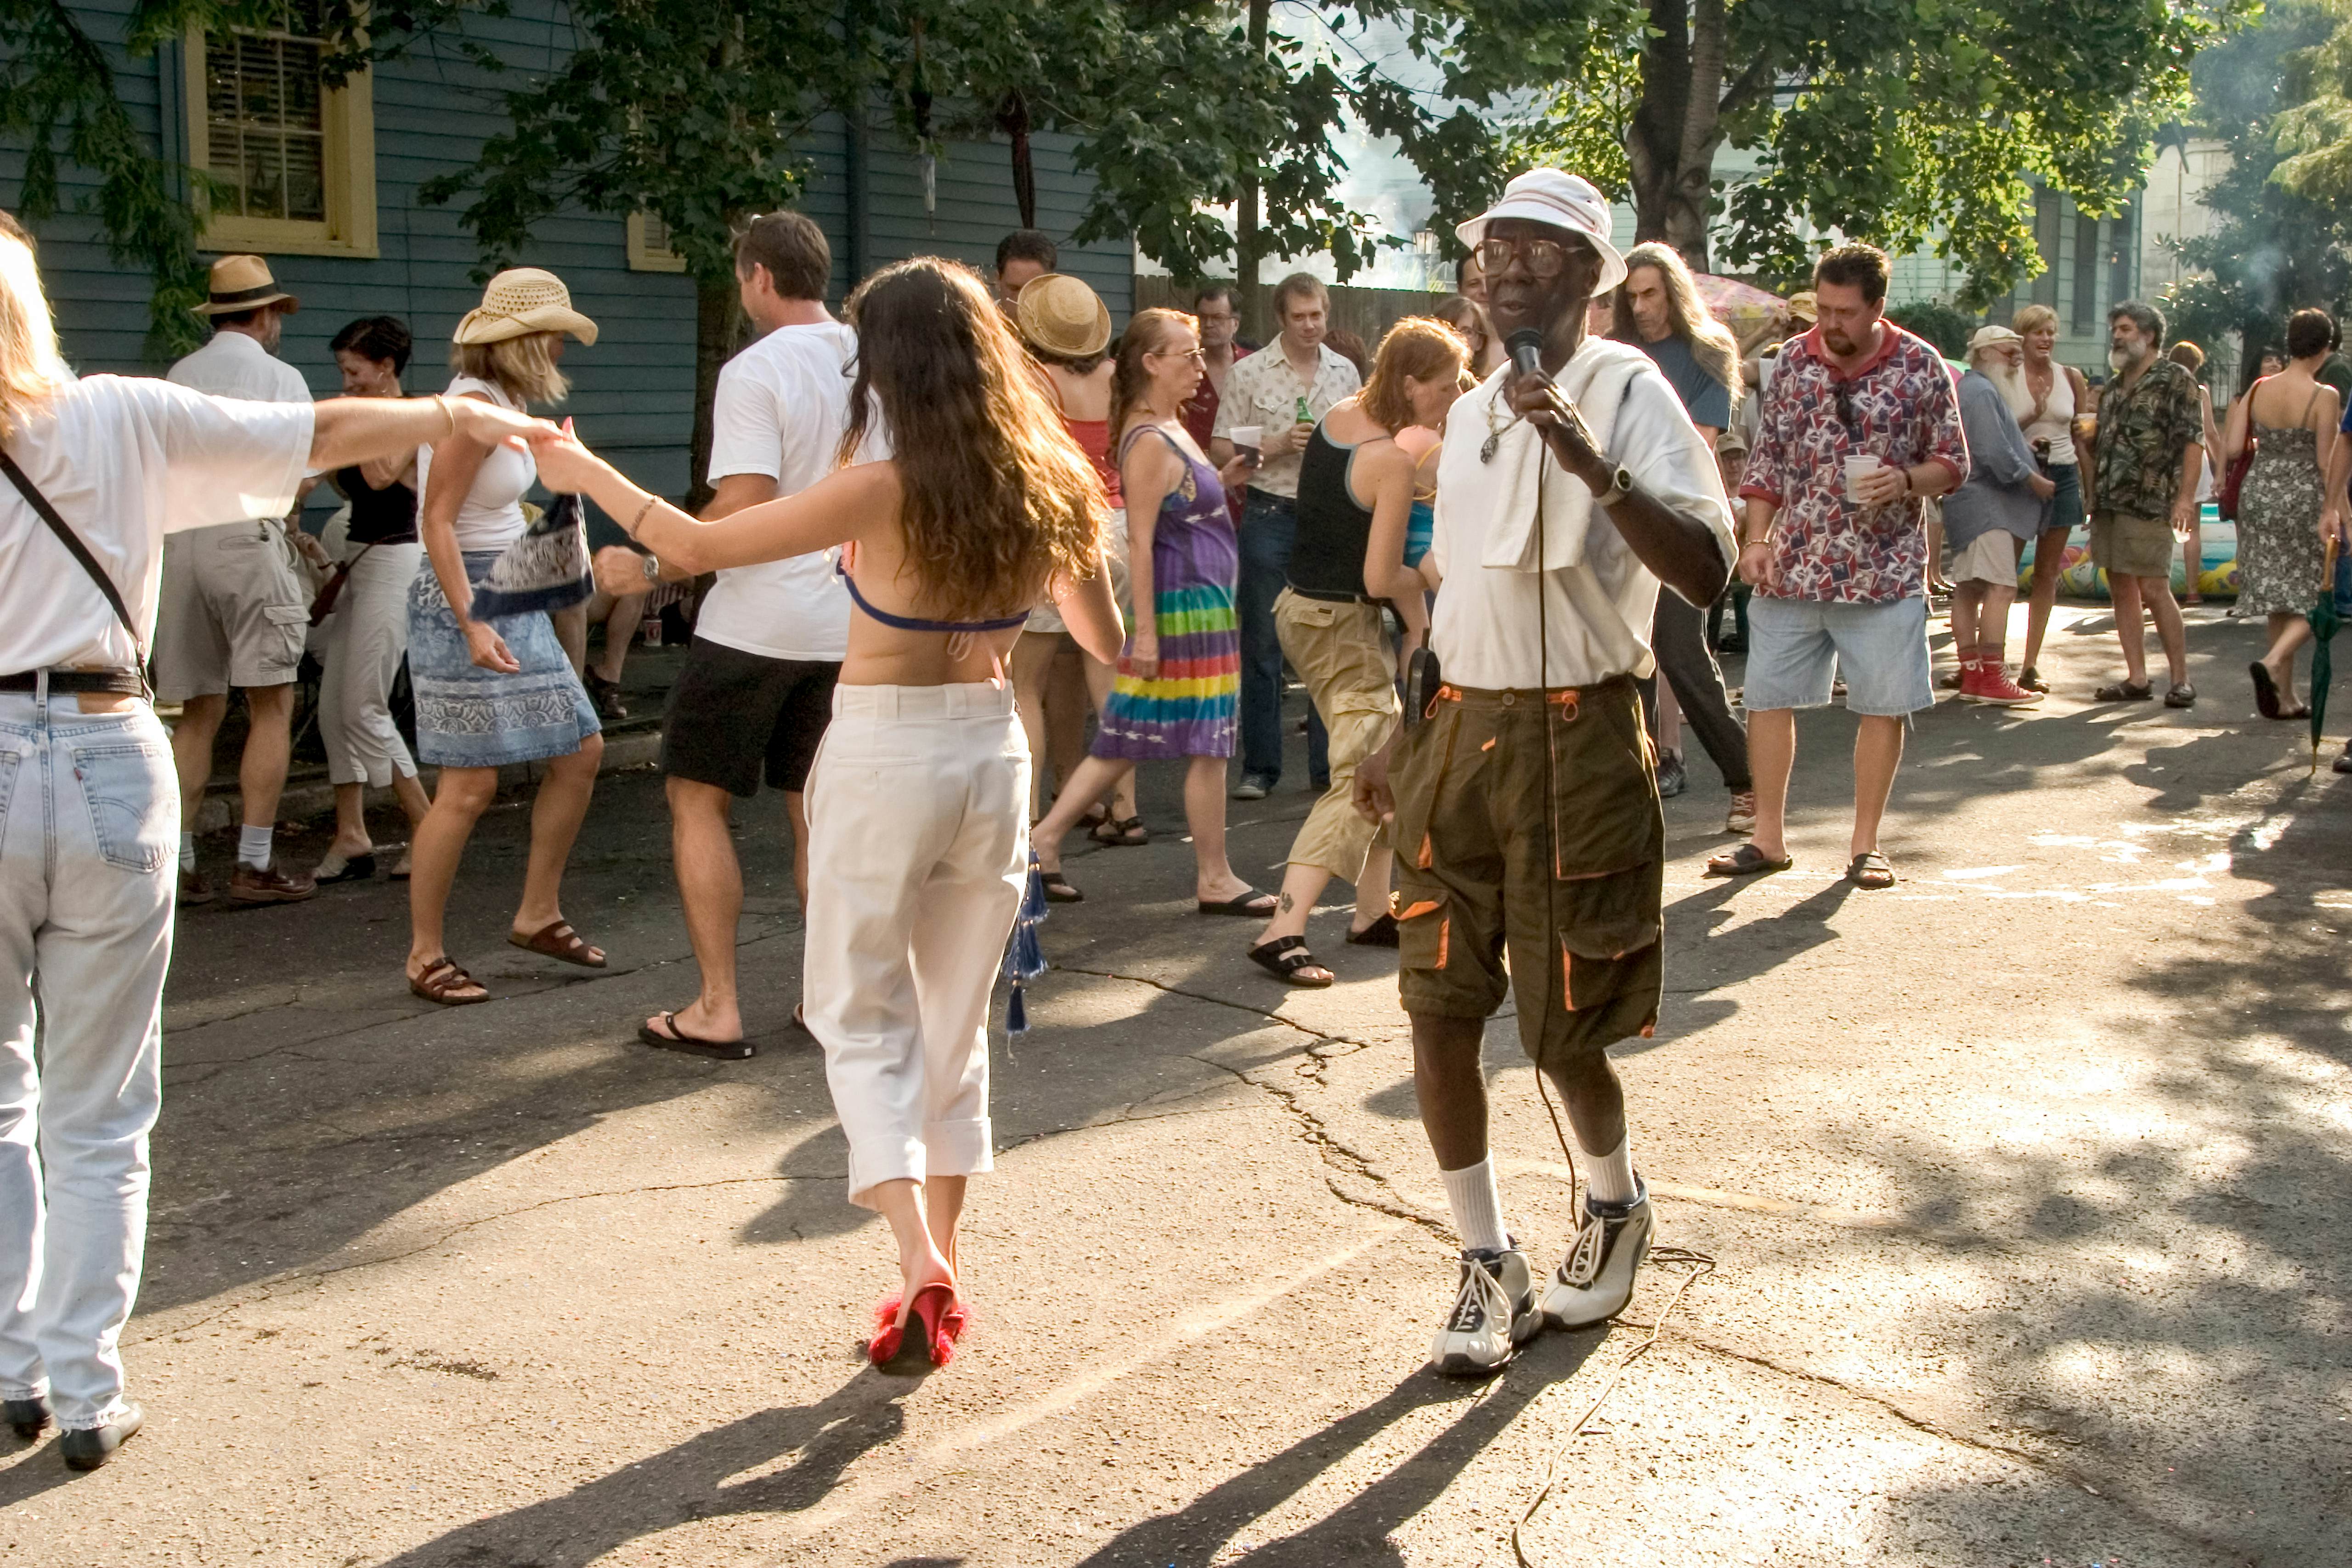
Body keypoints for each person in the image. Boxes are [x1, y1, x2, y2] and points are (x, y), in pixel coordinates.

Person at [0, 208, 553, 1468]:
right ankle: (85, 1385)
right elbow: (319, 436)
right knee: (99, 1103)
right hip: (97, 743)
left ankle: (9, 1367)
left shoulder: (126, 408)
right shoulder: (112, 416)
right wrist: (453, 418)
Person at [532, 255, 1124, 1370]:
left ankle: (917, 1257)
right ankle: (930, 1279)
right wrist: (996, 616)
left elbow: (696, 546)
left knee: (855, 1008)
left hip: (885, 743)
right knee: (953, 1024)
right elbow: (1105, 645)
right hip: (990, 745)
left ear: (885, 363)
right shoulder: (1046, 477)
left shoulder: (882, 483)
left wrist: (578, 463)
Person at [1349, 170, 1733, 1377]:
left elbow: (1711, 570)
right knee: (1436, 1003)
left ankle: (1614, 1205)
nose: (1509, 266)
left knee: (1567, 1024)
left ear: (1592, 273)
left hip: (1581, 729)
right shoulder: (1464, 416)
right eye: (1493, 250)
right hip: (1462, 728)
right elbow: (1455, 586)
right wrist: (1407, 727)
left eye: (1541, 249)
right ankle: (1485, 1256)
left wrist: (1593, 463)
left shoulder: (1631, 390)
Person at [587, 213, 853, 1052]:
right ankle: (829, 1000)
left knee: (696, 799)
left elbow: (743, 499)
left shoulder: (755, 369)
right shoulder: (870, 357)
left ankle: (717, 1004)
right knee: (818, 813)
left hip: (755, 623)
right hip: (849, 619)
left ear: (760, 278)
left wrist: (658, 564)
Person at [1709, 243, 1966, 890]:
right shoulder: (1792, 362)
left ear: (1878, 307)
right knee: (1768, 700)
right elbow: (1767, 463)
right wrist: (1757, 539)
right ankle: (1767, 838)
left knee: (1882, 705)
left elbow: (1953, 464)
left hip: (1884, 571)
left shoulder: (1920, 365)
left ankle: (1865, 844)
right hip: (1795, 564)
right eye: (1823, 308)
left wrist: (1906, 480)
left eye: (1846, 313)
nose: (1830, 323)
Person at [402, 269, 606, 1006]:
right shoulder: (468, 409)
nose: (558, 344)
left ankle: (537, 912)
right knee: (468, 784)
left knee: (581, 750)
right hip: (463, 593)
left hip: (508, 583)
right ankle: (424, 953)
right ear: (517, 342)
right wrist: (472, 619)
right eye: (550, 332)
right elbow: (437, 520)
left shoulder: (507, 403)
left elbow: (499, 505)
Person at [1245, 317, 1467, 987]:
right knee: (1361, 776)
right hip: (1339, 624)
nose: (1454, 397)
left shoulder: (1343, 415)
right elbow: (1381, 578)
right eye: (1446, 384)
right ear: (1409, 382)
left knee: (1374, 765)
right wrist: (1434, 575)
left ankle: (1372, 912)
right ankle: (1282, 929)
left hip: (1303, 611)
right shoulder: (1392, 463)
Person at [1030, 310, 1270, 913]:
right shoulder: (1147, 439)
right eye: (1186, 355)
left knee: (1127, 736)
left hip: (1200, 606)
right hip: (1184, 610)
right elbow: (1138, 539)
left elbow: (1178, 506)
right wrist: (1145, 635)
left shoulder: (1168, 426)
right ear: (1150, 363)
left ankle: (1044, 840)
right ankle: (1214, 877)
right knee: (1208, 743)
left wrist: (1223, 476)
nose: (1199, 365)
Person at [158, 255, 322, 906]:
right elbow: (305, 470)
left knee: (197, 710)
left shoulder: (180, 375)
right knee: (270, 703)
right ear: (264, 314)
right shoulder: (281, 378)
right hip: (247, 534)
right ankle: (253, 859)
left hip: (182, 543)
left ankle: (180, 858)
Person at [1613, 241, 1756, 832]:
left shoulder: (1706, 350)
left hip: (1682, 523)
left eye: (1651, 293)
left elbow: (1690, 445)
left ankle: (1747, 784)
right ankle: (1635, 794)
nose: (1642, 306)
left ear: (1674, 291)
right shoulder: (1615, 355)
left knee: (1680, 654)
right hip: (1620, 521)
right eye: (1632, 296)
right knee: (1628, 663)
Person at [1210, 272, 1359, 799]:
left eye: (1316, 314)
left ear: (1326, 312)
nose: (1309, 325)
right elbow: (1221, 448)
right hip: (1269, 511)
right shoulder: (1249, 373)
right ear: (1280, 318)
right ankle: (1261, 768)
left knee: (1327, 639)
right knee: (1262, 642)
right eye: (1298, 317)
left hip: (1327, 517)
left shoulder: (1344, 372)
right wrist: (1273, 445)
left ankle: (1326, 767)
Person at [1011, 272, 1141, 848]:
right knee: (1110, 670)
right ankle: (1125, 805)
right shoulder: (1117, 378)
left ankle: (1032, 814)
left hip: (1059, 521)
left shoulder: (1032, 380)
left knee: (1023, 683)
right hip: (1118, 522)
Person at [313, 316, 433, 883]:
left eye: (354, 370)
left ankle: (427, 825)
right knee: (334, 706)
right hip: (360, 554)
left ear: (386, 368)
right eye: (343, 371)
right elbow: (348, 484)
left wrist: (355, 419)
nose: (347, 380)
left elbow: (383, 476)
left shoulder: (412, 414)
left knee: (365, 703)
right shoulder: (367, 412)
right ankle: (352, 832)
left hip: (396, 559)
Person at [2228, 307, 2341, 720]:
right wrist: (2340, 509)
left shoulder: (2259, 388)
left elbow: (2234, 449)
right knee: (2316, 596)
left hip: (2259, 493)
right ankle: (2275, 661)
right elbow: (2328, 462)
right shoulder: (2324, 395)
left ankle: (2286, 696)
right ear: (2326, 347)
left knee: (2280, 598)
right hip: (2303, 497)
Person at [2087, 301, 2201, 708]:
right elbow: (2104, 443)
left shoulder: (2175, 378)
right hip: (2110, 500)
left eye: (2125, 328)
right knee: (2120, 586)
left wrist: (2186, 498)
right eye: (2115, 329)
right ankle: (2137, 677)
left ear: (2149, 335)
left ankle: (2181, 678)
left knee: (2154, 586)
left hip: (2151, 499)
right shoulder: (2115, 387)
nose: (2116, 336)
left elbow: (2193, 439)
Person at [1942, 327, 2049, 706]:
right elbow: (1992, 452)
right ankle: (1993, 677)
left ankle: (1973, 675)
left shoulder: (1970, 390)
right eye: (2010, 351)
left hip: (1965, 503)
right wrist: (2032, 477)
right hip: (1987, 506)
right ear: (1986, 353)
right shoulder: (1983, 391)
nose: (2017, 358)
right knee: (2001, 588)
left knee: (1969, 588)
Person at [2013, 304, 2096, 693]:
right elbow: (1994, 430)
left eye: (2050, 332)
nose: (2045, 339)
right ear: (2022, 337)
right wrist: (2033, 416)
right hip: (2018, 476)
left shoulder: (2070, 376)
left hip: (2062, 473)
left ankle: (2030, 664)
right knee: (2003, 573)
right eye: (2037, 332)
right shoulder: (2007, 376)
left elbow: (2081, 436)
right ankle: (1984, 662)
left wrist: (2091, 487)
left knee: (2047, 573)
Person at [2167, 340, 2217, 605]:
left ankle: (2153, 591)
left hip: (2166, 461)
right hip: (2196, 460)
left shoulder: (2162, 390)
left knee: (2161, 528)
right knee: (2192, 529)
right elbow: (2209, 433)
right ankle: (2192, 591)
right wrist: (2222, 466)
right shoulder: (2200, 393)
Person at [1451, 251, 1511, 377]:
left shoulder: (1523, 345)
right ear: (1460, 290)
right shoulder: (1448, 342)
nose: (1484, 290)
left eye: (1492, 282)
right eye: (1474, 284)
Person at [993, 229, 1057, 314]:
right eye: (1015, 289)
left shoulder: (1067, 326)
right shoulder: (976, 324)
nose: (1022, 302)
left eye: (1033, 290)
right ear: (998, 281)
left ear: (1052, 284)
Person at [1431, 295, 1492, 379]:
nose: (1457, 337)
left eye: (1467, 332)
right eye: (1450, 329)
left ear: (1480, 343)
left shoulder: (1486, 390)